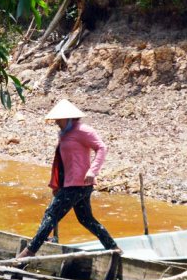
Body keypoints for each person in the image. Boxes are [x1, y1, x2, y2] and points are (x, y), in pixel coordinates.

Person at [17, 100, 121, 259]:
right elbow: (65, 162)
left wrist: (93, 171)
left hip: (79, 185)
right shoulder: (65, 134)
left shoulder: (83, 131)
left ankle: (27, 253)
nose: (56, 122)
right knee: (86, 219)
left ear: (68, 118)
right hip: (73, 184)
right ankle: (114, 248)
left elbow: (101, 147)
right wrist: (58, 184)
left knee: (51, 214)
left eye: (58, 119)